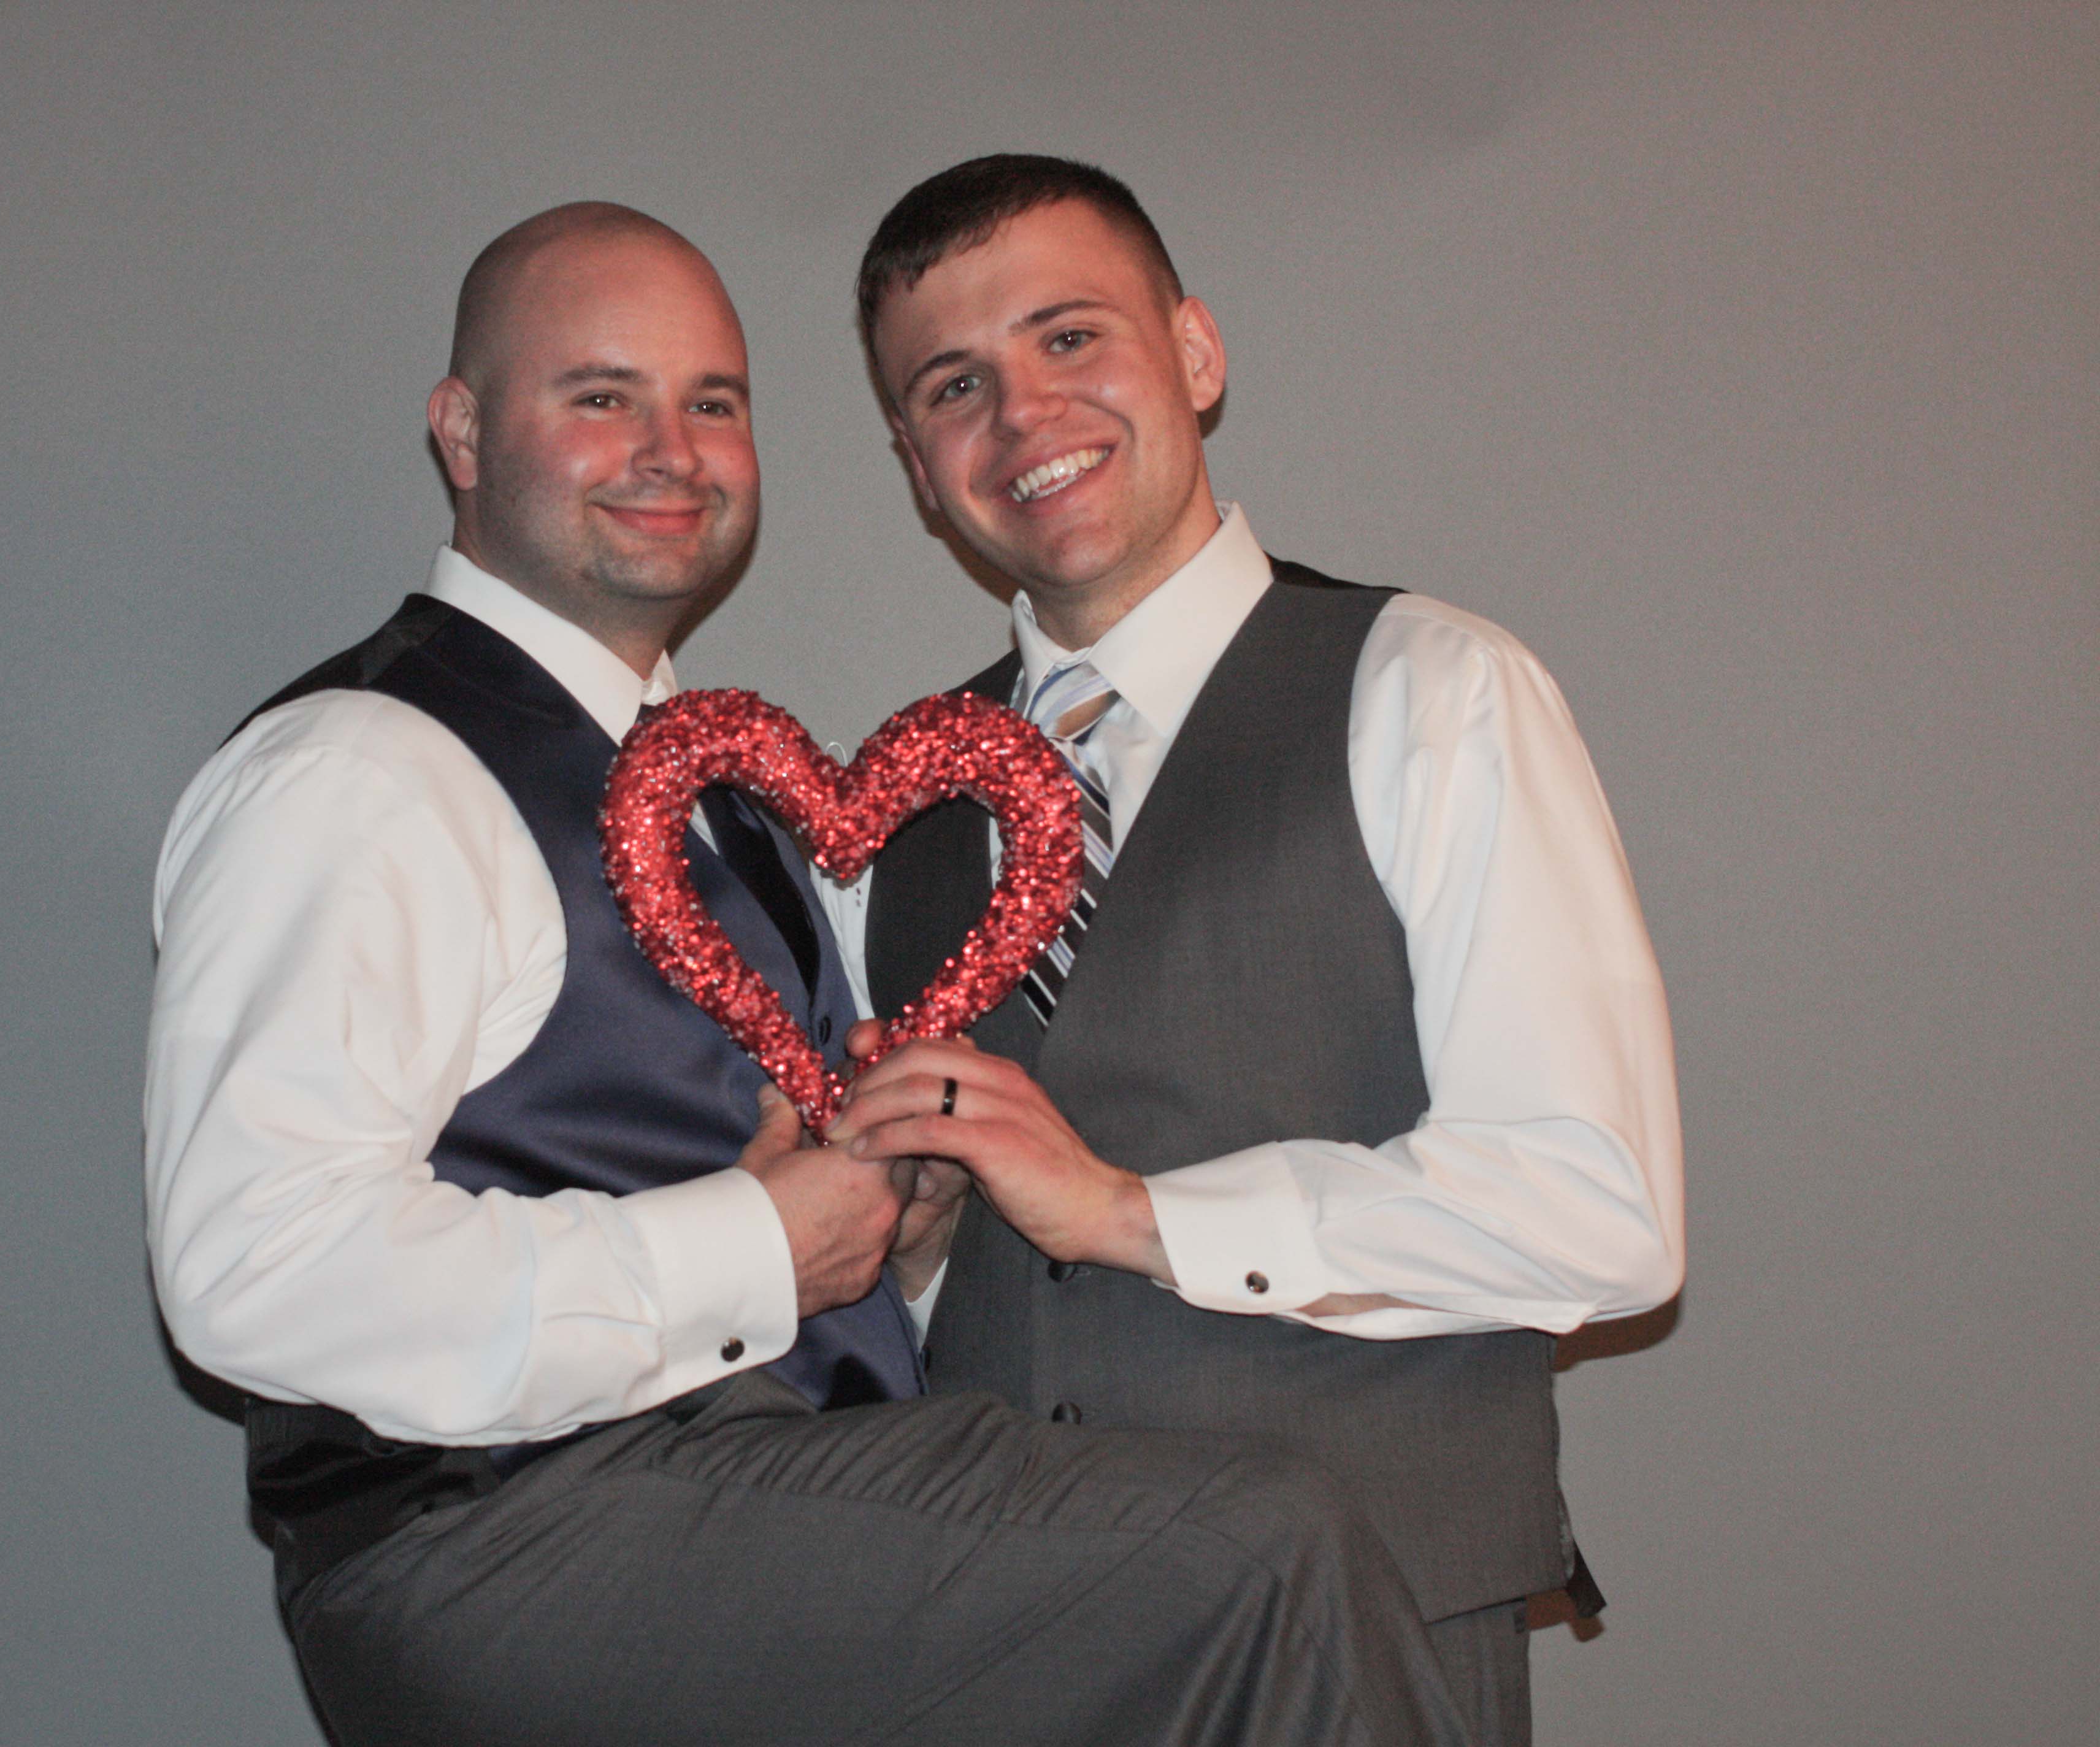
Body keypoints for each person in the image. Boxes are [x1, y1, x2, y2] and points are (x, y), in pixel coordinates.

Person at [144, 200, 1478, 1745]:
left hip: (750, 1498)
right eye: (602, 395)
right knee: (1258, 1555)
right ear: (462, 431)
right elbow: (256, 1270)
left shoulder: (718, 801)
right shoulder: (363, 766)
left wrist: (890, 1225)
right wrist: (761, 1238)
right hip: (499, 1532)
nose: (671, 450)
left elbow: (705, 1199)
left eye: (714, 403)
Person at [830, 155, 1687, 1747]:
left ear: (1196, 352)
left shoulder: (1435, 687)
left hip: (1361, 1633)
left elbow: (1600, 1210)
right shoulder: (901, 798)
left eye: (1069, 336)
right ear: (917, 465)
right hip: (1005, 1643)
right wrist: (918, 1235)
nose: (1023, 412)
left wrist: (1131, 1213)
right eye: (955, 384)